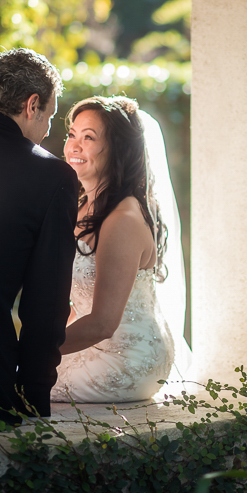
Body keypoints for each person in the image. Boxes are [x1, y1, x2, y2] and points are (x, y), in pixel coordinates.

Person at [0, 48, 79, 425]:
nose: (49, 130)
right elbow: (46, 302)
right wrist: (33, 393)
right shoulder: (52, 178)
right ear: (32, 104)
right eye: (50, 115)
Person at [49, 96, 180, 403]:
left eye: (89, 137)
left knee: (11, 381)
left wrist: (31, 349)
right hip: (92, 344)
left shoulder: (123, 219)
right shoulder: (83, 207)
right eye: (72, 135)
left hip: (128, 359)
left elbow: (104, 322)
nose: (74, 146)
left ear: (118, 149)